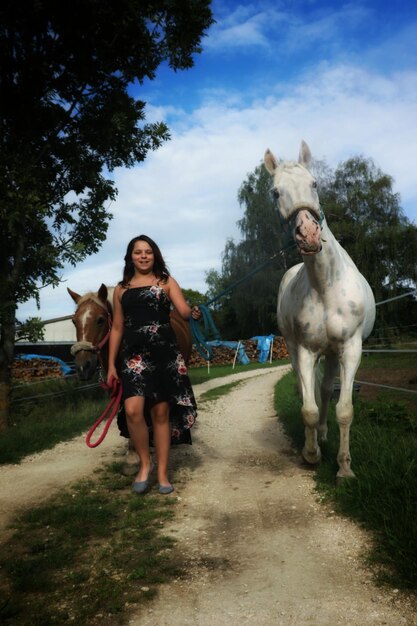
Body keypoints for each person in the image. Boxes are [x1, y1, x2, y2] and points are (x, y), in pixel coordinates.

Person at [107, 235, 201, 495]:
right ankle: (144, 465)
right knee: (133, 410)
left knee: (161, 414)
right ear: (131, 257)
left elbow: (181, 310)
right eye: (138, 252)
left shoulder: (166, 282)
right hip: (133, 356)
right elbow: (116, 328)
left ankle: (162, 474)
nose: (144, 256)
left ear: (155, 255)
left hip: (164, 354)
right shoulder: (121, 289)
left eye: (148, 252)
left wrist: (192, 312)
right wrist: (112, 366)